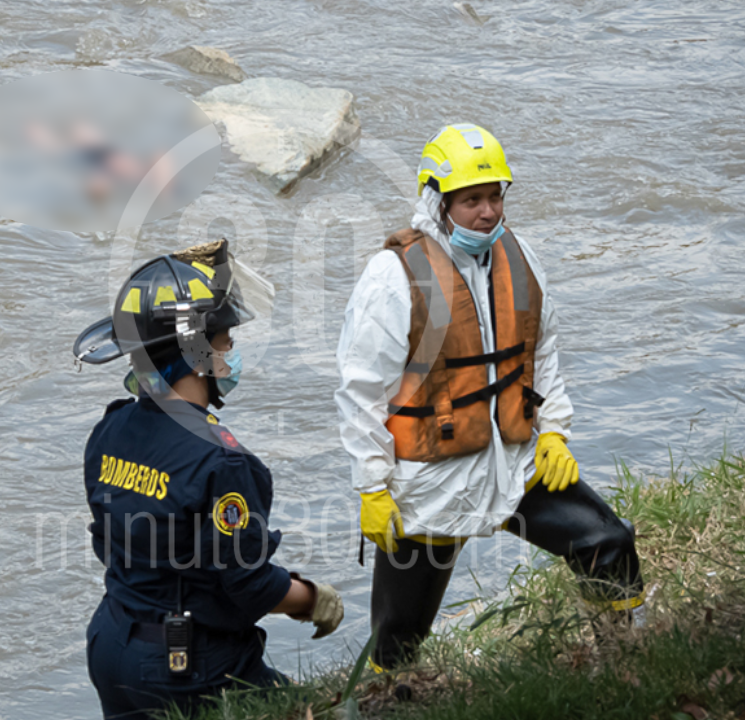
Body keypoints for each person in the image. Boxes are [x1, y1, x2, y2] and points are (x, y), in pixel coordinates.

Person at [335, 123, 644, 671]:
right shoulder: (392, 276)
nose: (488, 212)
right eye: (472, 200)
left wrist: (554, 431)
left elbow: (541, 351)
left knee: (607, 541)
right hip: (430, 482)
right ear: (438, 200)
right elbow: (361, 391)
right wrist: (371, 487)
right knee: (399, 635)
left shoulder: (518, 256)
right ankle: (389, 702)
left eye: (495, 196)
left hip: (517, 462)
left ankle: (621, 660)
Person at [75, 239, 344, 718]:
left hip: (111, 643)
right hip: (188, 666)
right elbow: (251, 584)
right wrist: (313, 600)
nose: (231, 351)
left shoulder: (110, 429)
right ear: (197, 353)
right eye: (225, 341)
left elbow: (108, 539)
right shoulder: (223, 462)